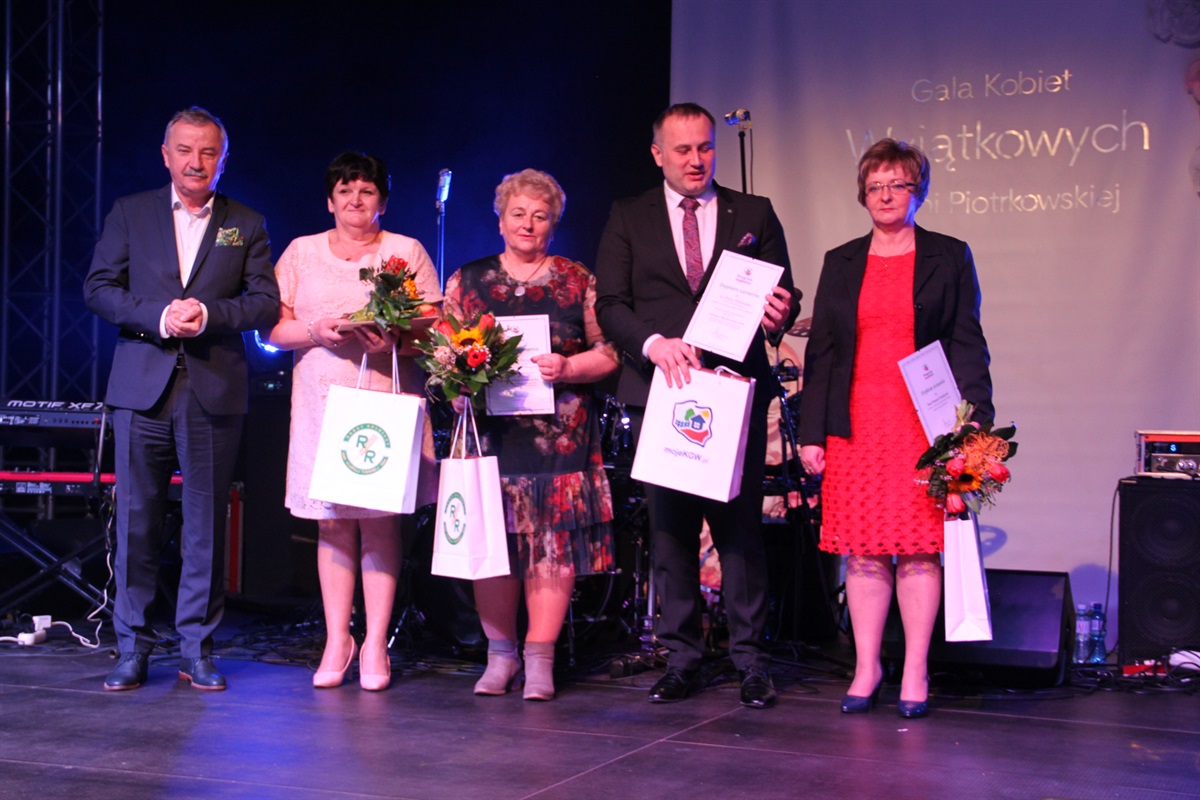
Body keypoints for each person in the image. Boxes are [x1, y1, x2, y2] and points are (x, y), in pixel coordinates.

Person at [595, 103, 800, 708]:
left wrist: (780, 310)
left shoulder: (753, 212)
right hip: (663, 390)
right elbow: (610, 304)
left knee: (740, 532)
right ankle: (682, 658)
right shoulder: (628, 214)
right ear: (658, 154)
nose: (696, 160)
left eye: (705, 147)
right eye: (682, 149)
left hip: (732, 392)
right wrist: (654, 345)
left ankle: (750, 660)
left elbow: (782, 291)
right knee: (671, 533)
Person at [83, 106, 280, 691]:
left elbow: (264, 302)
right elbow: (98, 288)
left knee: (205, 527)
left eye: (209, 152)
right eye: (186, 150)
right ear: (166, 155)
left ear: (224, 159)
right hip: (140, 389)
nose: (197, 162)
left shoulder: (246, 222)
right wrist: (159, 316)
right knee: (137, 523)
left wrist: (208, 314)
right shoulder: (130, 212)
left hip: (212, 389)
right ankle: (132, 647)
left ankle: (197, 649)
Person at [798, 138, 993, 719]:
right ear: (863, 194)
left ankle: (914, 668)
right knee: (863, 550)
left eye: (897, 185)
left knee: (918, 549)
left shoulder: (949, 255)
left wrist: (974, 424)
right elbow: (823, 352)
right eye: (875, 186)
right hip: (855, 422)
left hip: (922, 424)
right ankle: (867, 667)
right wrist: (812, 432)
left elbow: (967, 342)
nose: (885, 196)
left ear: (918, 191)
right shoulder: (840, 260)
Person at [267, 151, 442, 691]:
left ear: (382, 201)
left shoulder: (405, 251)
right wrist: (317, 331)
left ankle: (375, 643)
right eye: (345, 190)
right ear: (330, 201)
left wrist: (395, 339)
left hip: (384, 397)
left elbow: (435, 330)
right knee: (333, 522)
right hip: (321, 402)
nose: (355, 200)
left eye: (366, 190)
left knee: (380, 520)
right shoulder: (301, 252)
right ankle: (337, 639)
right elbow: (273, 330)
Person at [442, 168, 618, 701]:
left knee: (551, 547)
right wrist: (456, 384)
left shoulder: (576, 279)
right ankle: (501, 656)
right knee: (493, 543)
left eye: (540, 216)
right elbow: (443, 357)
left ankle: (540, 660)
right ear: (500, 220)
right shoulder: (468, 281)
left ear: (553, 224)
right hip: (490, 436)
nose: (528, 224)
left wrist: (569, 368)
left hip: (560, 438)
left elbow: (610, 353)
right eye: (518, 214)